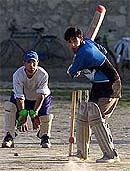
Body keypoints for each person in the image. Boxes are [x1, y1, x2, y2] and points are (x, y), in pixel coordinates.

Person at [64, 27, 122, 163]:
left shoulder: (83, 52)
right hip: (98, 86)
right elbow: (103, 51)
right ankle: (82, 153)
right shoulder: (88, 43)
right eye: (70, 42)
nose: (72, 44)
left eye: (75, 41)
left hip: (110, 84)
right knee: (84, 115)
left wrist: (77, 68)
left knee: (96, 118)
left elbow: (71, 72)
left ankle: (111, 155)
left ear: (80, 39)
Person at [2, 50, 53, 148]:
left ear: (38, 63)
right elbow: (19, 96)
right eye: (28, 62)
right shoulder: (18, 74)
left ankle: (44, 136)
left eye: (34, 62)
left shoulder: (43, 74)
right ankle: (9, 136)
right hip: (23, 98)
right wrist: (23, 114)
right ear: (24, 63)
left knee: (44, 116)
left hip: (39, 98)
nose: (31, 65)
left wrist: (35, 113)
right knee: (10, 108)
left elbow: (41, 95)